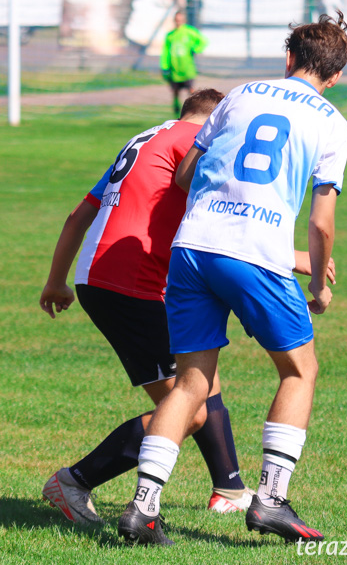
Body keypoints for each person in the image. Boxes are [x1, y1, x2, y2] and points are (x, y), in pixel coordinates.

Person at [117, 11, 347, 545]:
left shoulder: (241, 94)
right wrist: (318, 284)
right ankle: (269, 501)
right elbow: (320, 221)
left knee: (192, 382)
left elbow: (183, 173)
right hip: (256, 252)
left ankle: (142, 508)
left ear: (288, 57)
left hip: (193, 248)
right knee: (299, 370)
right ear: (335, 76)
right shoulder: (333, 124)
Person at [39, 89, 255, 526]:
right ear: (214, 122)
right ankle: (74, 481)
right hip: (131, 285)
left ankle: (229, 489)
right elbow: (227, 219)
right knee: (188, 410)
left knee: (201, 378)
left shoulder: (145, 140)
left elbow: (78, 216)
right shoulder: (195, 146)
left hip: (100, 276)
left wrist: (57, 280)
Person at [160, 11, 208, 118]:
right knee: (175, 92)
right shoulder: (170, 35)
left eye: (180, 20)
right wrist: (165, 66)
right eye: (177, 20)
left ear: (184, 21)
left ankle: (194, 112)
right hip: (175, 70)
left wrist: (196, 48)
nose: (178, 22)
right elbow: (165, 52)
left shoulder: (190, 32)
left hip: (187, 69)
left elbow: (203, 41)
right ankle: (177, 114)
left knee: (191, 92)